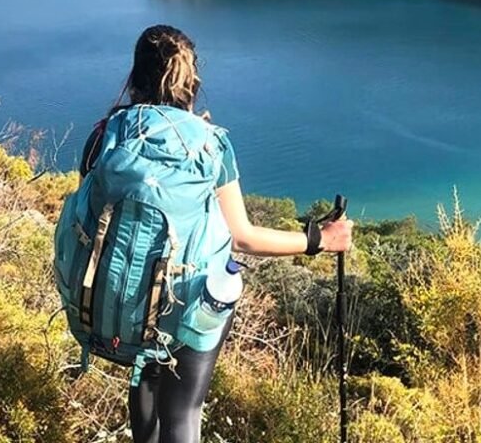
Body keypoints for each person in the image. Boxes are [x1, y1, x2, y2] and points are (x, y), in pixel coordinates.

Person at [78, 24, 353, 443]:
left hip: (117, 303)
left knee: (145, 383)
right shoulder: (210, 145)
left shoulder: (105, 135)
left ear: (134, 78)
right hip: (185, 301)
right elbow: (242, 237)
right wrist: (320, 239)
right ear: (192, 83)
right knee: (183, 413)